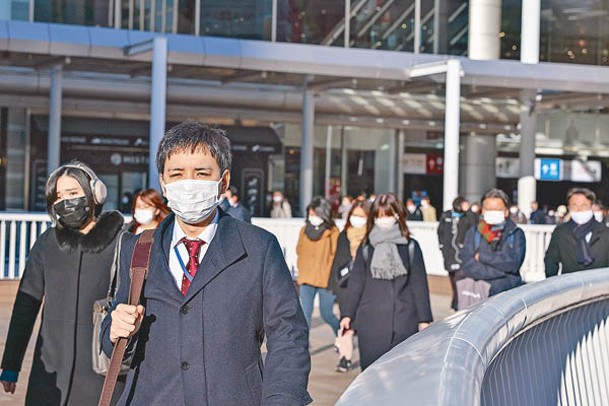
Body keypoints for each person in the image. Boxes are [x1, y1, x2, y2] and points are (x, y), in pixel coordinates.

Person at [102, 121, 311, 405]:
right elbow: (115, 334)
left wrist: (281, 400)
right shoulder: (137, 248)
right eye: (176, 174)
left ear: (223, 181)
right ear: (163, 182)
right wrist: (114, 331)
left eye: (201, 173)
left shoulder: (259, 247)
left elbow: (289, 336)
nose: (188, 183)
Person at [0, 161, 126, 405]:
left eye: (73, 193)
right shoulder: (47, 243)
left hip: (102, 370)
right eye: (58, 196)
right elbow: (26, 306)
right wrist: (11, 364)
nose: (66, 201)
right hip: (50, 370)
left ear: (95, 193)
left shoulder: (123, 241)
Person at [340, 193, 433, 371]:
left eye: (388, 215)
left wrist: (424, 319)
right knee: (372, 377)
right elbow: (356, 283)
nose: (383, 220)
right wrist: (347, 314)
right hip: (371, 323)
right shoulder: (367, 247)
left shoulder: (410, 246)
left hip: (405, 322)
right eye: (379, 216)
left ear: (397, 215)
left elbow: (419, 284)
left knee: (402, 378)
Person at [329, 199, 371, 372]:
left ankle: (369, 359)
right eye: (354, 215)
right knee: (346, 323)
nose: (357, 219)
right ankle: (345, 358)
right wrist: (335, 287)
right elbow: (337, 262)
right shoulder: (343, 236)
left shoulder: (372, 237)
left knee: (366, 325)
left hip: (367, 287)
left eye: (361, 216)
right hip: (346, 287)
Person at [460, 188, 526, 298]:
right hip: (479, 294)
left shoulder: (515, 233)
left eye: (497, 209)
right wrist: (501, 272)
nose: (492, 212)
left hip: (508, 295)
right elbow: (467, 264)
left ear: (506, 212)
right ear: (482, 211)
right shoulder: (474, 232)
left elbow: (513, 263)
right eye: (488, 209)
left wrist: (482, 256)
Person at [296, 197, 340, 336]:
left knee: (327, 314)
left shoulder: (332, 231)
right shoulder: (304, 230)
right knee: (305, 315)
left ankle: (341, 335)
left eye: (315, 214)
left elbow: (335, 254)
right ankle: (304, 348)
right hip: (306, 278)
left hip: (326, 280)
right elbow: (299, 249)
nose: (312, 217)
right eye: (310, 214)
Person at [544, 188, 609, 277]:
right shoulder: (561, 232)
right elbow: (551, 261)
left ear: (592, 206)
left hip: (599, 286)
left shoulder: (605, 232)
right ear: (569, 207)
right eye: (574, 205)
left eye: (584, 205)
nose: (579, 210)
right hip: (570, 286)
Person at [437, 196, 478, 311]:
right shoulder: (447, 216)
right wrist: (441, 246)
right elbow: (440, 231)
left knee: (460, 276)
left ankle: (457, 303)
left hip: (463, 253)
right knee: (452, 275)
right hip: (449, 252)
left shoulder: (468, 217)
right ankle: (456, 300)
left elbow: (475, 227)